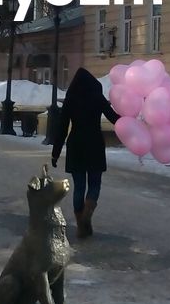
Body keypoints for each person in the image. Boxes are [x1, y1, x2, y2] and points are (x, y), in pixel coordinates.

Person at [51, 67, 119, 240]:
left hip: (76, 145)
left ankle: (81, 223)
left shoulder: (70, 99)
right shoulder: (97, 97)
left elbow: (62, 127)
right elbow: (113, 117)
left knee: (79, 187)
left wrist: (55, 152)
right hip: (95, 143)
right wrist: (129, 120)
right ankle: (87, 215)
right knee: (95, 184)